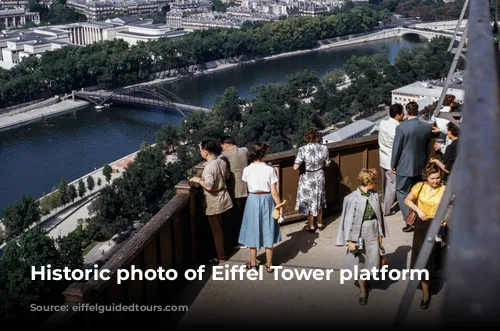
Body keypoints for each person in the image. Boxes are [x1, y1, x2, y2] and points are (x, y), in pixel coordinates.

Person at [335, 168, 388, 306]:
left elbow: (379, 216)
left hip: (373, 231)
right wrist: (348, 242)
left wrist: (380, 235)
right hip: (358, 234)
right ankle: (363, 290)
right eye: (374, 182)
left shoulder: (374, 195)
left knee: (371, 260)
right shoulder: (351, 199)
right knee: (359, 263)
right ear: (369, 183)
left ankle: (365, 281)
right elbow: (346, 221)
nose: (375, 185)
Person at [404, 162, 447, 310]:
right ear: (426, 177)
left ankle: (430, 279)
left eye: (438, 178)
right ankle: (426, 294)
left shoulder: (444, 189)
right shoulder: (419, 187)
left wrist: (445, 217)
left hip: (438, 226)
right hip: (422, 226)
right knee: (424, 260)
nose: (436, 181)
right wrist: (418, 210)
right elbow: (407, 200)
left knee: (435, 256)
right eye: (433, 178)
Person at [238, 142, 283, 273]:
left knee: (253, 229)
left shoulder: (246, 170)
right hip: (267, 199)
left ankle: (253, 263)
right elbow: (274, 192)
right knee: (268, 229)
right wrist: (280, 207)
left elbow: (247, 185)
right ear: (264, 154)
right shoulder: (270, 170)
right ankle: (269, 265)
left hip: (252, 199)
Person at [391, 101, 433, 232]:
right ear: (418, 111)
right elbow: (428, 148)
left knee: (402, 192)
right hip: (420, 165)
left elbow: (397, 148)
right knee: (417, 193)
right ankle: (419, 216)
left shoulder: (401, 128)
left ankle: (410, 220)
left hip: (404, 166)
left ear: (407, 112)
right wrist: (424, 162)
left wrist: (393, 165)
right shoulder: (426, 127)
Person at [189, 140, 233, 263]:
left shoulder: (209, 168)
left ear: (206, 152)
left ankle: (221, 257)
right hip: (225, 197)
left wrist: (198, 180)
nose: (200, 152)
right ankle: (227, 251)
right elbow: (228, 176)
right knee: (225, 228)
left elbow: (209, 186)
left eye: (201, 150)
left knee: (217, 231)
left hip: (214, 202)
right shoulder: (221, 161)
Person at [293, 127, 331, 232]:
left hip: (307, 177)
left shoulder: (302, 149)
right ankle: (319, 222)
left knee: (309, 200)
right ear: (317, 137)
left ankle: (311, 225)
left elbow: (295, 167)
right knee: (319, 198)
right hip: (319, 175)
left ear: (307, 138)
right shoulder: (324, 148)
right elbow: (327, 164)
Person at [219, 135, 249, 247]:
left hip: (235, 188)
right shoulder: (245, 150)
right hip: (247, 186)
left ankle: (240, 240)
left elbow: (217, 164)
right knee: (246, 213)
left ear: (225, 145)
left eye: (222, 147)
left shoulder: (225, 155)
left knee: (237, 216)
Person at [378, 103, 404, 216]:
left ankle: (385, 204)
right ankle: (387, 210)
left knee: (386, 186)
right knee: (392, 187)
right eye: (402, 113)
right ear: (398, 115)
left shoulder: (382, 123)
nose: (404, 114)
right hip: (392, 162)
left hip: (383, 158)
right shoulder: (397, 129)